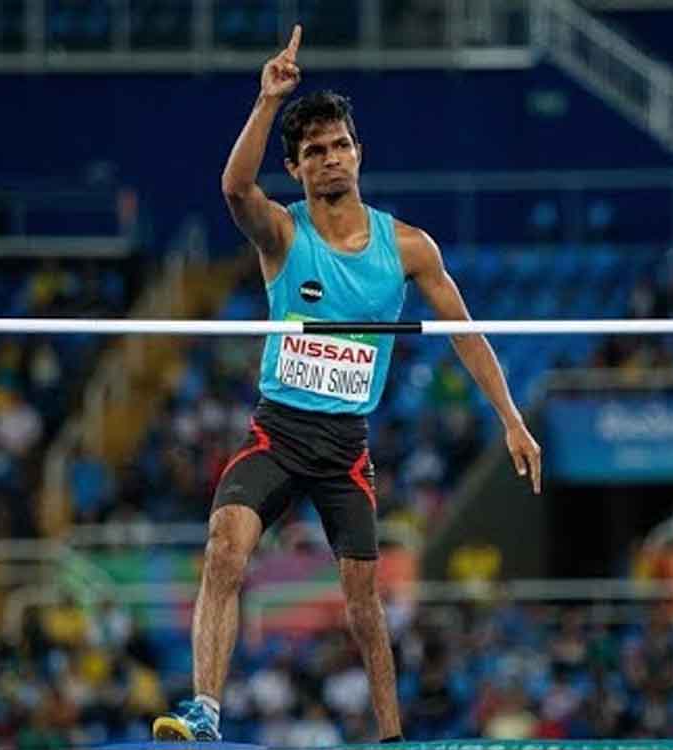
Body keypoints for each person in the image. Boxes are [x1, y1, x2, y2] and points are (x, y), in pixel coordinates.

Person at [153, 24, 542, 743]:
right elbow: (234, 187)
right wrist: (267, 101)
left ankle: (391, 738)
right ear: (296, 168)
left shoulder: (409, 247)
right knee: (224, 545)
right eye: (314, 152)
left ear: (358, 153)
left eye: (339, 145)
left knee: (364, 607)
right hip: (278, 433)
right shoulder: (281, 234)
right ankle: (205, 710)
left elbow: (466, 333)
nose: (330, 158)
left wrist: (511, 418)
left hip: (344, 449)